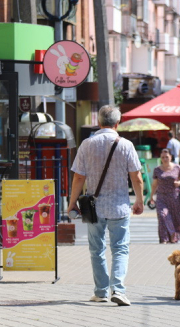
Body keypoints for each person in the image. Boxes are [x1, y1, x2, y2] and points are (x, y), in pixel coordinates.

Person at [68, 105, 145, 306]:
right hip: (119, 206)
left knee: (96, 249)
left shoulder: (87, 144)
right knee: (120, 249)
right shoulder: (126, 145)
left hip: (94, 208)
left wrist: (72, 203)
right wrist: (139, 200)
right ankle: (118, 290)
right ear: (117, 123)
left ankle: (101, 292)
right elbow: (136, 177)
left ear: (99, 122)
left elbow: (78, 177)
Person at [149, 149, 180, 244]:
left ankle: (172, 238)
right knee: (163, 216)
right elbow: (154, 184)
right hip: (161, 198)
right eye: (163, 157)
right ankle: (164, 239)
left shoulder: (177, 167)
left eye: (167, 157)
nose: (165, 159)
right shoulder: (157, 170)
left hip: (175, 198)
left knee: (175, 219)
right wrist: (151, 196)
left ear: (171, 157)